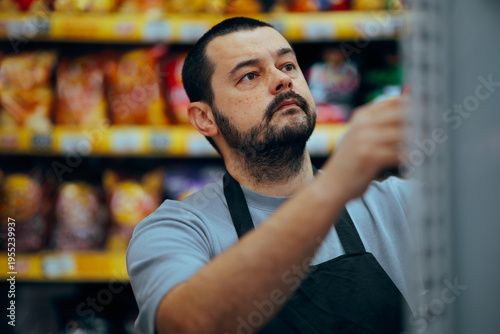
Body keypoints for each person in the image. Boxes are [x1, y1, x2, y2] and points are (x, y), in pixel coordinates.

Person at [126, 17, 414, 334]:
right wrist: (335, 185)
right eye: (249, 75)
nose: (282, 80)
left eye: (288, 65)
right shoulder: (177, 230)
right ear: (205, 118)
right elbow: (187, 325)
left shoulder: (401, 202)